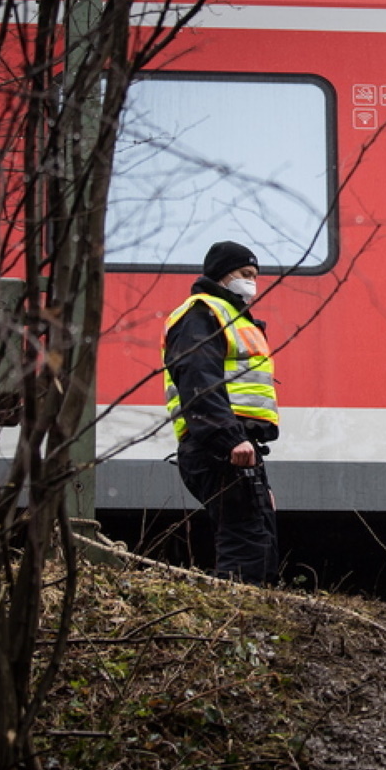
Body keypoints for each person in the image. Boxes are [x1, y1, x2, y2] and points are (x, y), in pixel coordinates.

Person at [163, 240, 280, 585]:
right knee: (245, 539)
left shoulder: (226, 315)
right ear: (221, 274)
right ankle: (240, 623)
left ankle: (252, 620)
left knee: (257, 535)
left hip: (233, 445)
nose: (252, 283)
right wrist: (229, 439)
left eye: (255, 276)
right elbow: (199, 381)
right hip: (219, 444)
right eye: (244, 274)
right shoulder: (202, 313)